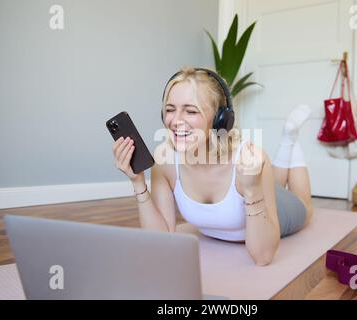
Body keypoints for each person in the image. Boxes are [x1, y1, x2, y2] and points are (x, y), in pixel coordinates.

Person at [112, 67, 313, 266]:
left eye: (190, 111)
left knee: (305, 206)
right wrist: (138, 182)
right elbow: (160, 241)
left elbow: (263, 257)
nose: (175, 121)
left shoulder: (248, 157)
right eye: (170, 109)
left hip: (267, 209)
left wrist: (252, 190)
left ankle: (289, 140)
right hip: (254, 188)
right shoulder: (164, 160)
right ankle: (283, 151)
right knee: (273, 182)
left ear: (220, 119)